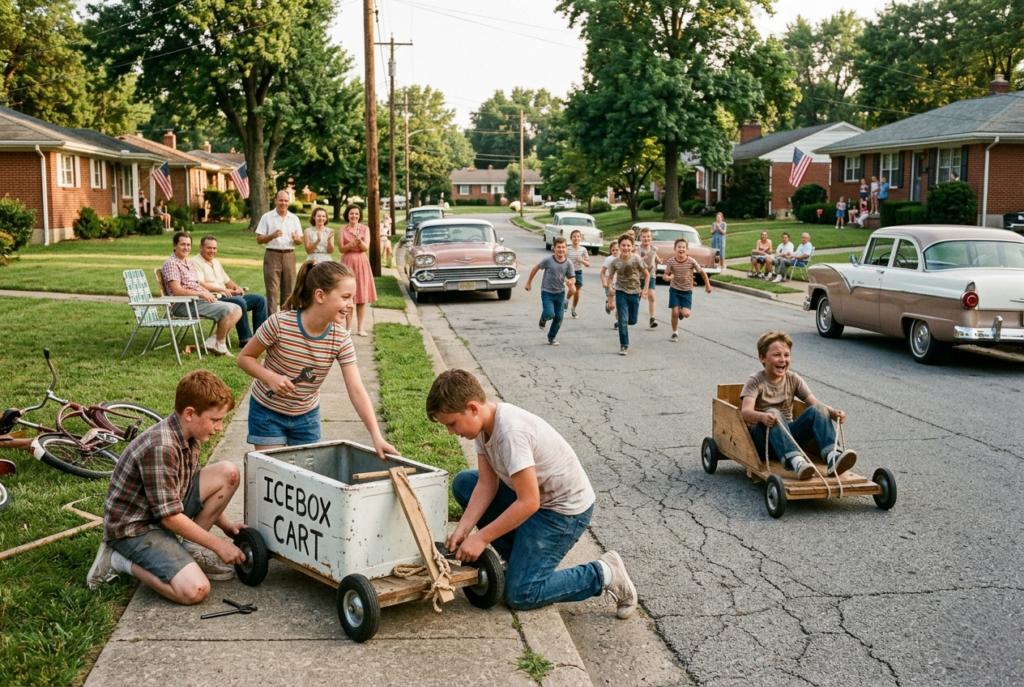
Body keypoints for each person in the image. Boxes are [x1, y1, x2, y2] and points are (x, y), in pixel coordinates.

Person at [429, 369, 637, 618]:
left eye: (452, 424)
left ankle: (605, 572)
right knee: (465, 483)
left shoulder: (510, 433)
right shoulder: (483, 427)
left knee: (521, 593)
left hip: (561, 513)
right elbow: (486, 484)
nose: (451, 432)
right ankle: (520, 560)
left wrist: (481, 538)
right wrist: (463, 530)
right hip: (533, 500)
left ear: (472, 408)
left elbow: (529, 502)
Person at [87, 371, 246, 604]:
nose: (220, 427)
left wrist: (226, 525)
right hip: (135, 528)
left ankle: (192, 551)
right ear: (190, 413)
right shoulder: (161, 447)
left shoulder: (190, 435)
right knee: (195, 590)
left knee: (227, 472)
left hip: (164, 511)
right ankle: (116, 559)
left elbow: (189, 487)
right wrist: (218, 545)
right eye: (215, 420)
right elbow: (169, 518)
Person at [236, 261, 398, 456]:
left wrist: (376, 436)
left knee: (306, 479)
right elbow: (245, 358)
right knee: (274, 472)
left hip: (307, 417)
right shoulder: (280, 323)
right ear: (320, 295)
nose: (350, 305)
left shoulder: (340, 338)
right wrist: (270, 378)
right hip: (267, 411)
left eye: (352, 298)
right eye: (345, 297)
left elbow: (356, 389)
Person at [740, 331, 857, 479]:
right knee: (773, 413)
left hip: (788, 436)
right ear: (762, 358)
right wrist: (763, 417)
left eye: (786, 355)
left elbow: (814, 402)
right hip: (762, 442)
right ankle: (797, 462)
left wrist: (833, 413)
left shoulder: (793, 379)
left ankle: (833, 457)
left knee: (818, 410)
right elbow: (746, 412)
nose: (782, 359)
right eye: (776, 355)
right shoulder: (755, 380)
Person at [162, 232, 241, 356]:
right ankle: (220, 344)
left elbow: (196, 283)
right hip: (183, 305)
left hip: (195, 301)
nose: (186, 248)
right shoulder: (172, 264)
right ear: (174, 245)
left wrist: (206, 292)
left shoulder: (187, 263)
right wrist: (201, 294)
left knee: (237, 309)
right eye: (183, 244)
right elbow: (177, 291)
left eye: (188, 245)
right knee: (228, 309)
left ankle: (214, 341)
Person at [191, 235, 269, 348]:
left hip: (226, 295)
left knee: (260, 300)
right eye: (209, 248)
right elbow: (200, 284)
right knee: (239, 302)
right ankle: (246, 339)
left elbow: (227, 281)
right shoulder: (195, 262)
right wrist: (222, 289)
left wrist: (236, 288)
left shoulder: (216, 262)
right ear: (200, 247)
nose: (212, 251)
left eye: (214, 248)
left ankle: (261, 337)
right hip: (214, 298)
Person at [256, 191, 304, 315]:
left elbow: (300, 241)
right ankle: (271, 324)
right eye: (281, 200)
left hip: (289, 255)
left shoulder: (294, 218)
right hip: (272, 255)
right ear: (276, 201)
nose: (284, 203)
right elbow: (259, 239)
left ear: (289, 202)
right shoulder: (267, 217)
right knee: (272, 291)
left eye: (286, 200)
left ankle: (284, 322)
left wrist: (296, 238)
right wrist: (272, 235)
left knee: (288, 291)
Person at [524, 236, 576, 346]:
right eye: (559, 247)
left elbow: (572, 277)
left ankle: (551, 337)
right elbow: (535, 268)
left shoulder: (568, 263)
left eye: (563, 247)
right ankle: (543, 318)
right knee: (549, 313)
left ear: (566, 248)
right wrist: (529, 282)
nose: (561, 250)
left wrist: (571, 282)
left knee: (559, 317)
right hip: (547, 292)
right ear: (554, 248)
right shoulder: (548, 260)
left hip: (560, 293)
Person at [605, 233, 649, 356]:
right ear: (619, 246)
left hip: (635, 293)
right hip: (621, 292)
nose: (626, 248)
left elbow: (646, 275)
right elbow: (610, 277)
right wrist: (610, 288)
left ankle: (625, 320)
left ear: (633, 246)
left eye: (628, 245)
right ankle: (624, 345)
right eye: (623, 245)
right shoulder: (615, 262)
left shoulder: (637, 259)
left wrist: (645, 289)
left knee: (632, 320)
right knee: (622, 321)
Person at [337, 204, 377, 337]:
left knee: (361, 296)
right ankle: (348, 327)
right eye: (351, 213)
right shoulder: (342, 230)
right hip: (347, 262)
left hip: (361, 262)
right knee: (348, 295)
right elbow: (341, 249)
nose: (354, 216)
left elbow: (366, 248)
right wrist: (352, 244)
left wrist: (359, 241)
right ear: (347, 215)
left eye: (356, 214)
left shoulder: (365, 229)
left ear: (359, 216)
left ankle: (360, 328)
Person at [663, 238, 712, 341]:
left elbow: (702, 272)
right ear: (674, 248)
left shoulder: (691, 261)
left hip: (687, 291)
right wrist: (668, 278)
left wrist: (708, 285)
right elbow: (665, 276)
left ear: (687, 249)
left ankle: (681, 311)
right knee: (674, 311)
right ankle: (675, 333)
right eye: (679, 247)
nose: (681, 249)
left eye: (683, 247)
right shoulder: (671, 261)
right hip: (674, 289)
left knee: (686, 314)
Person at [637, 227, 660, 328]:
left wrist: (660, 262)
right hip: (638, 276)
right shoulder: (637, 249)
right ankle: (626, 316)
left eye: (648, 236)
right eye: (644, 237)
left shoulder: (654, 249)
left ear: (651, 238)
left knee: (651, 295)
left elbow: (656, 257)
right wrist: (643, 258)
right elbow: (636, 259)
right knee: (635, 298)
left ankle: (652, 318)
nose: (646, 238)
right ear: (640, 238)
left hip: (651, 275)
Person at [565, 230, 590, 319]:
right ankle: (566, 300)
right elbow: (562, 260)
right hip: (569, 272)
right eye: (574, 236)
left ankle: (573, 309)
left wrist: (582, 260)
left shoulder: (583, 250)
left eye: (578, 236)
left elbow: (588, 264)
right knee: (573, 289)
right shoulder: (567, 249)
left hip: (578, 271)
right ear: (571, 238)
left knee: (577, 291)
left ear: (580, 238)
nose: (576, 238)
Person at [600, 239, 620, 329]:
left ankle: (618, 321)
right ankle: (608, 303)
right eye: (613, 250)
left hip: (621, 284)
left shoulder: (623, 258)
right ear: (610, 250)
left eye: (617, 249)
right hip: (610, 284)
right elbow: (602, 273)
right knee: (612, 306)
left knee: (620, 303)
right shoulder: (608, 259)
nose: (615, 251)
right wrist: (604, 281)